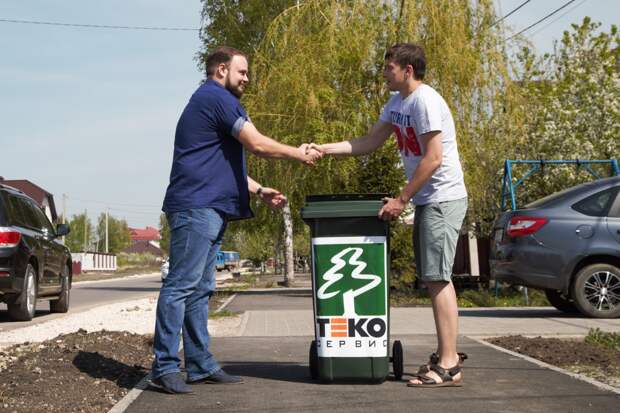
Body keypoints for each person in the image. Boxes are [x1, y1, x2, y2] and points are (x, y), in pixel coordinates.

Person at [151, 46, 321, 394]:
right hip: (195, 207)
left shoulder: (212, 101)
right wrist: (297, 153)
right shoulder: (216, 98)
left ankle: (199, 365)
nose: (247, 78)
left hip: (209, 207)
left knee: (200, 290)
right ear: (221, 70)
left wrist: (259, 190)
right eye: (242, 72)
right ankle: (164, 366)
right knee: (181, 286)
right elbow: (256, 144)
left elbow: (219, 164)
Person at [310, 43, 468, 388]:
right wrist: (324, 149)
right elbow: (368, 142)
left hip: (442, 198)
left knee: (438, 278)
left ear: (407, 70)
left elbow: (434, 158)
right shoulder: (397, 104)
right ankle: (448, 357)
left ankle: (449, 363)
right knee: (433, 277)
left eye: (389, 68)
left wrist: (401, 198)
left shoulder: (424, 101)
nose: (384, 73)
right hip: (428, 200)